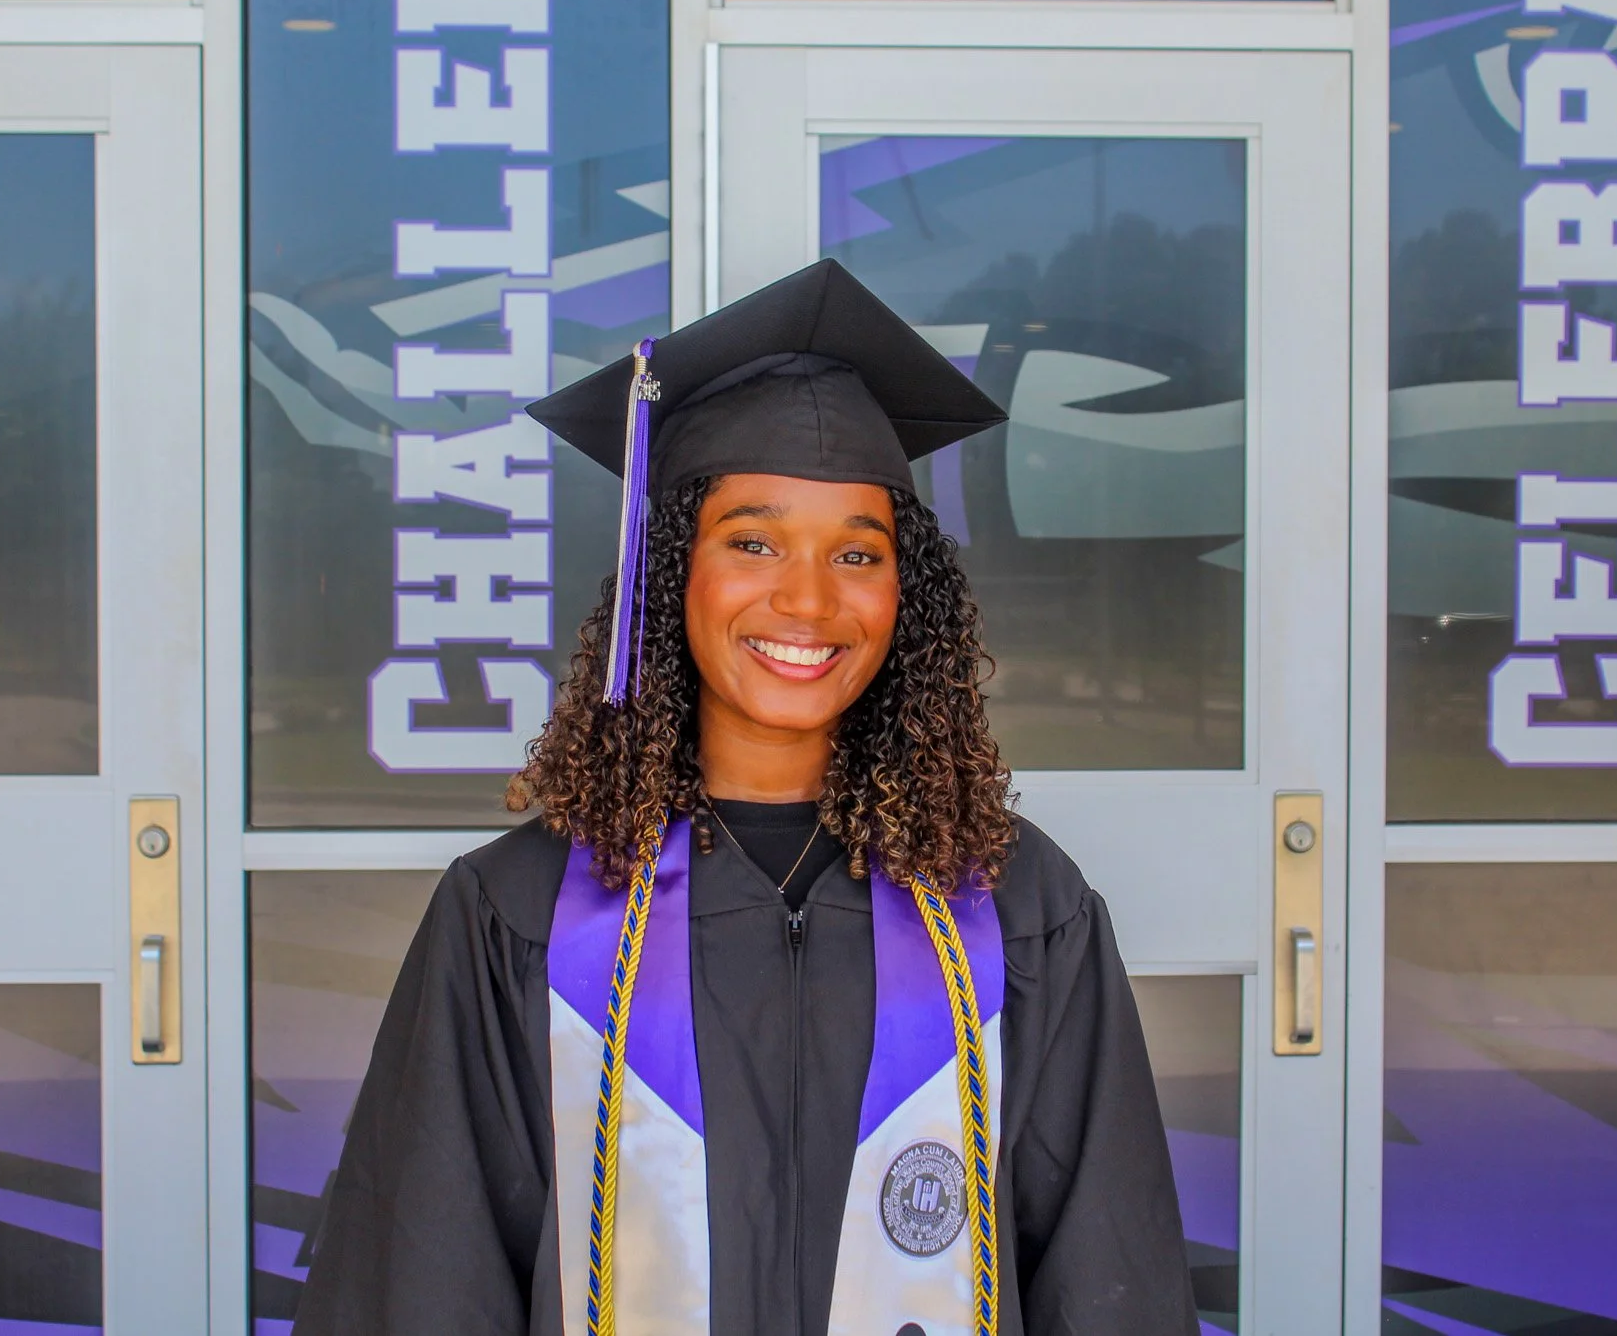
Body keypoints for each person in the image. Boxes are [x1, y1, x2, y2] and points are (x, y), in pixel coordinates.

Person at [294, 259, 1198, 1336]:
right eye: (753, 542)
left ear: (905, 595)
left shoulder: (1014, 910)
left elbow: (1109, 1281)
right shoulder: (521, 917)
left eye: (857, 553)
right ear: (671, 569)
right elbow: (423, 1285)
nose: (807, 599)